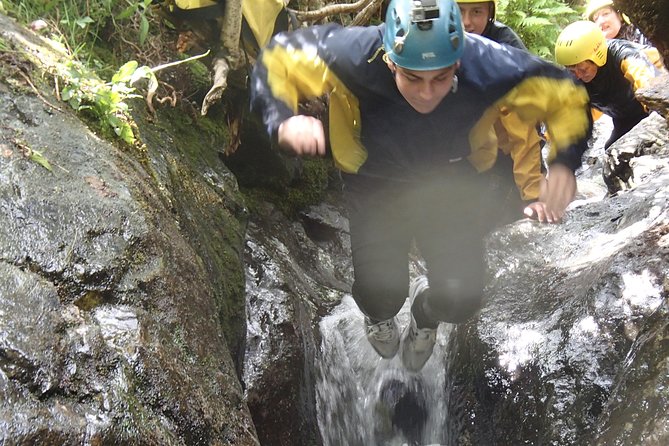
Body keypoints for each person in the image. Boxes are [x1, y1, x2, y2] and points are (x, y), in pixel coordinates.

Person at [251, 0, 592, 372]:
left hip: (449, 182)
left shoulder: (486, 61)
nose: (427, 93)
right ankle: (379, 314)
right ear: (390, 60)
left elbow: (565, 94)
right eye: (413, 77)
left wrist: (564, 162)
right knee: (382, 293)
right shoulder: (356, 55)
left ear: (458, 61)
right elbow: (278, 59)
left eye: (442, 77)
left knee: (461, 300)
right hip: (375, 184)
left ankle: (425, 313)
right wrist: (281, 118)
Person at [456, 0, 548, 222]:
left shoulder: (506, 54)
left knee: (517, 213)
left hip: (511, 148)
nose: (467, 22)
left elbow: (523, 131)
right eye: (459, 12)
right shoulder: (438, 40)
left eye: (476, 12)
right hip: (469, 146)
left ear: (489, 13)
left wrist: (533, 194)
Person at [555, 21, 662, 149]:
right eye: (572, 70)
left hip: (648, 111)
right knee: (611, 149)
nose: (577, 75)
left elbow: (645, 79)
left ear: (597, 56)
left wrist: (656, 109)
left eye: (583, 69)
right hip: (624, 119)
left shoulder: (622, 54)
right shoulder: (573, 80)